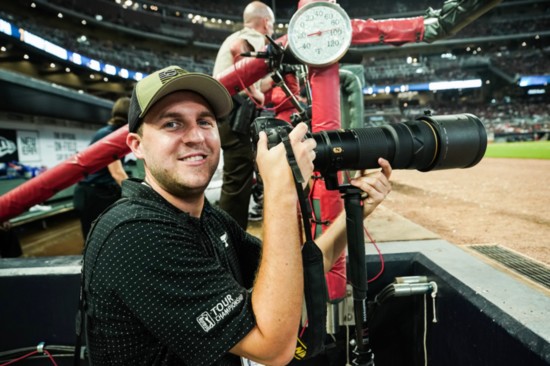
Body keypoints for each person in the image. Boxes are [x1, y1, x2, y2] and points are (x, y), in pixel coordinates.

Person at [81, 65, 392, 365]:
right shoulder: (134, 234)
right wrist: (280, 190)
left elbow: (295, 269)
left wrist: (357, 211)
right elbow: (273, 349)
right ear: (137, 145)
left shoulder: (208, 219)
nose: (195, 137)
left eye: (205, 122)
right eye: (171, 124)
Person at [212, 1, 275, 229]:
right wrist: (256, 94)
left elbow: (257, 83)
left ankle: (232, 233)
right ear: (266, 22)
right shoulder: (250, 39)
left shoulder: (237, 37)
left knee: (240, 177)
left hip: (231, 116)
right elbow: (242, 62)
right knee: (237, 180)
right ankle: (231, 237)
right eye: (273, 24)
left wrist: (266, 86)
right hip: (235, 117)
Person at [73, 96, 130, 239]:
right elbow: (117, 173)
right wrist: (138, 194)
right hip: (95, 194)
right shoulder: (110, 135)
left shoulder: (113, 132)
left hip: (99, 192)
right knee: (97, 238)